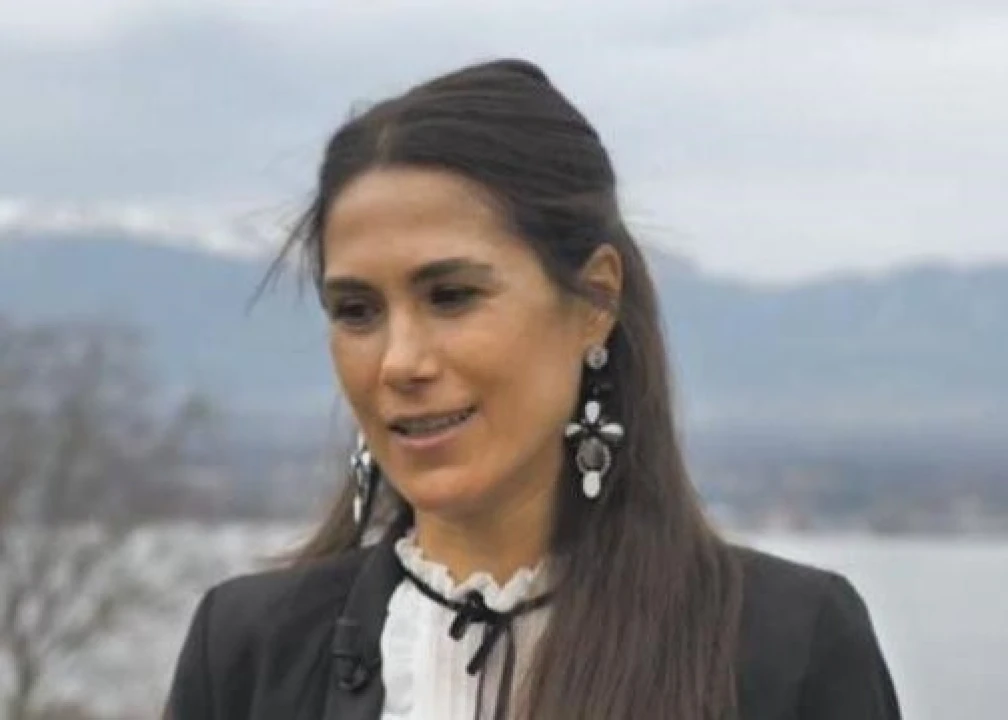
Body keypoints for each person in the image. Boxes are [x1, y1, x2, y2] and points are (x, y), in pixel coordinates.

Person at [164, 58, 902, 720]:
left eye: (451, 296)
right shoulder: (247, 651)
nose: (398, 362)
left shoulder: (784, 648)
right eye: (357, 311)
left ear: (595, 299)